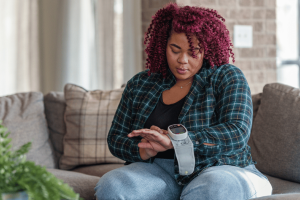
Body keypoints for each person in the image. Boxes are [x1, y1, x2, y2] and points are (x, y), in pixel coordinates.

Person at [94, 3, 272, 200]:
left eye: (193, 51)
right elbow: (116, 138)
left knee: (214, 189)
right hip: (159, 171)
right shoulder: (141, 83)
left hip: (220, 168)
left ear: (207, 49)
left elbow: (237, 132)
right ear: (163, 45)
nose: (183, 60)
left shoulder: (227, 76)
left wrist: (176, 142)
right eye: (175, 49)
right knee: (112, 186)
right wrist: (144, 150)